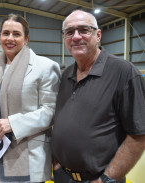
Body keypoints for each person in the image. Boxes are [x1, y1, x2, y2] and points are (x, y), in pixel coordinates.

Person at [52, 10, 145, 183]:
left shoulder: (124, 72)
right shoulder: (65, 76)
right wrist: (57, 165)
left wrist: (106, 178)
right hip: (62, 177)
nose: (76, 37)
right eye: (69, 32)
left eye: (83, 30)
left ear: (98, 35)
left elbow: (138, 135)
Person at [0, 14, 60, 183]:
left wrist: (14, 123)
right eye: (5, 33)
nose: (10, 38)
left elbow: (51, 110)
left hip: (29, 154)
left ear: (26, 38)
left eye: (16, 34)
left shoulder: (45, 67)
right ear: (0, 36)